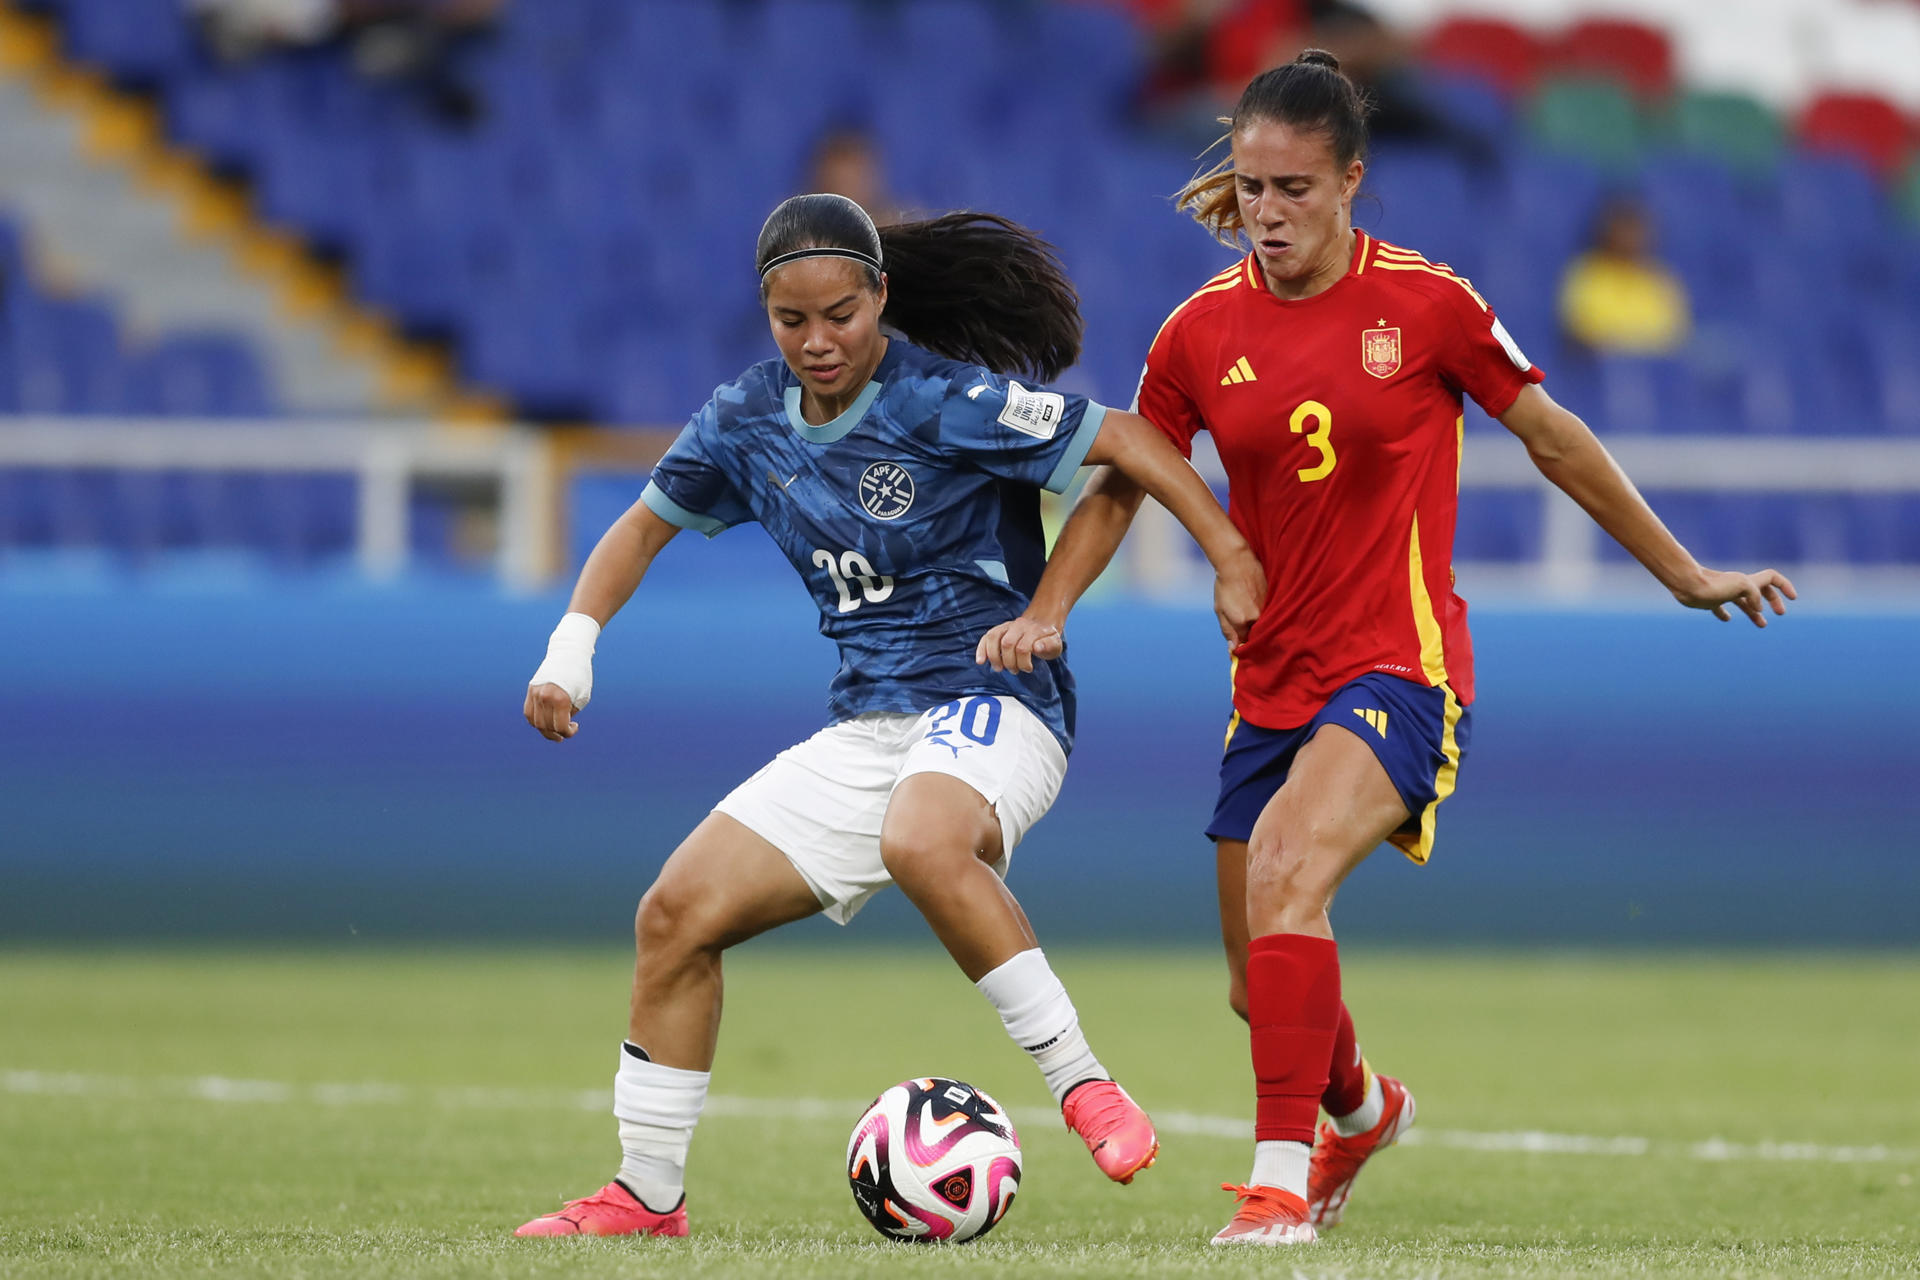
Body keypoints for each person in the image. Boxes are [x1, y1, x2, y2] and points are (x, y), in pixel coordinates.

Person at [976, 51, 1794, 1247]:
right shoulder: (1200, 331)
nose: (1267, 213)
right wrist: (1050, 607)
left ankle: (1277, 1188)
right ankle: (1359, 1107)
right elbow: (1122, 486)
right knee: (1261, 977)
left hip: (1398, 666)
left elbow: (1556, 440)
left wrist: (1682, 572)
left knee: (1287, 874)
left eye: (1295, 188)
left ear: (1352, 180)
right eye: (1252, 187)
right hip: (1272, 679)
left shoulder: (1427, 305)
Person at [513, 194, 1266, 1238]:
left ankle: (1085, 1082)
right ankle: (646, 1193)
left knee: (924, 836)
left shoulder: (942, 398)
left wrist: (1226, 557)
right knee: (675, 915)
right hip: (872, 724)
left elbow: (1130, 443)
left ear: (880, 299)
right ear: (766, 314)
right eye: (793, 320)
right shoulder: (744, 419)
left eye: (842, 315)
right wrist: (571, 648)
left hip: (1000, 701)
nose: (819, 341)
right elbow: (639, 529)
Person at [1559, 195, 1693, 356]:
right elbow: (1580, 333)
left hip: (1654, 372)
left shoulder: (1661, 277)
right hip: (1602, 371)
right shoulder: (1586, 273)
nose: (1630, 238)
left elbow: (1675, 336)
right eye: (1624, 230)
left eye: (1636, 231)